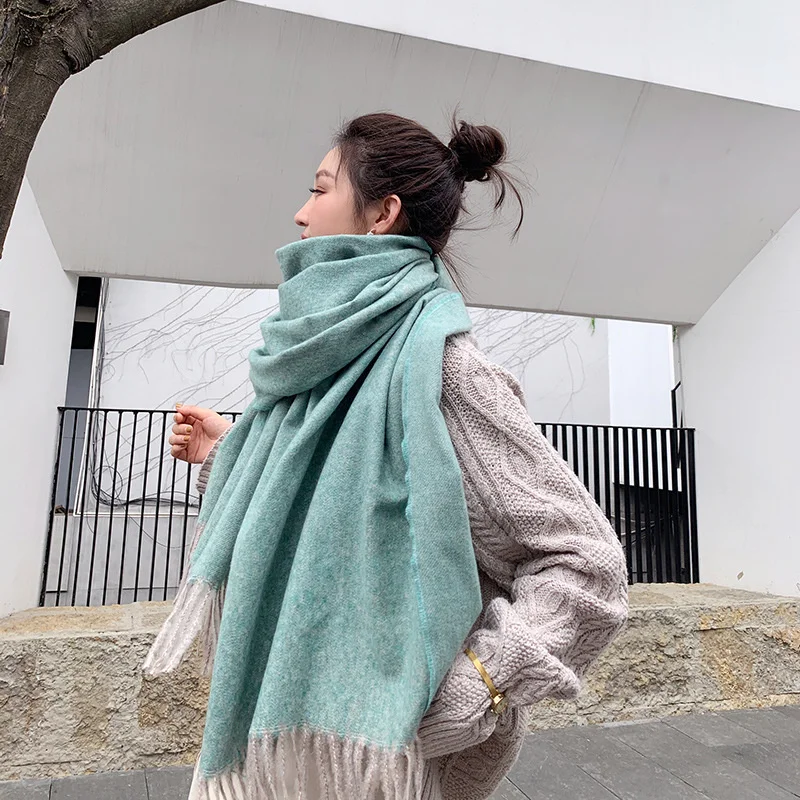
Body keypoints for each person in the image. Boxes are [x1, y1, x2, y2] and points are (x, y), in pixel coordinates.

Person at [144, 113, 628, 800]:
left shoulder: (444, 372)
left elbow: (588, 565)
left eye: (320, 189)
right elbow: (318, 505)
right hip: (265, 751)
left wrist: (474, 688)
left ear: (383, 213)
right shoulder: (319, 358)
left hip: (373, 764)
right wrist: (230, 453)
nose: (300, 212)